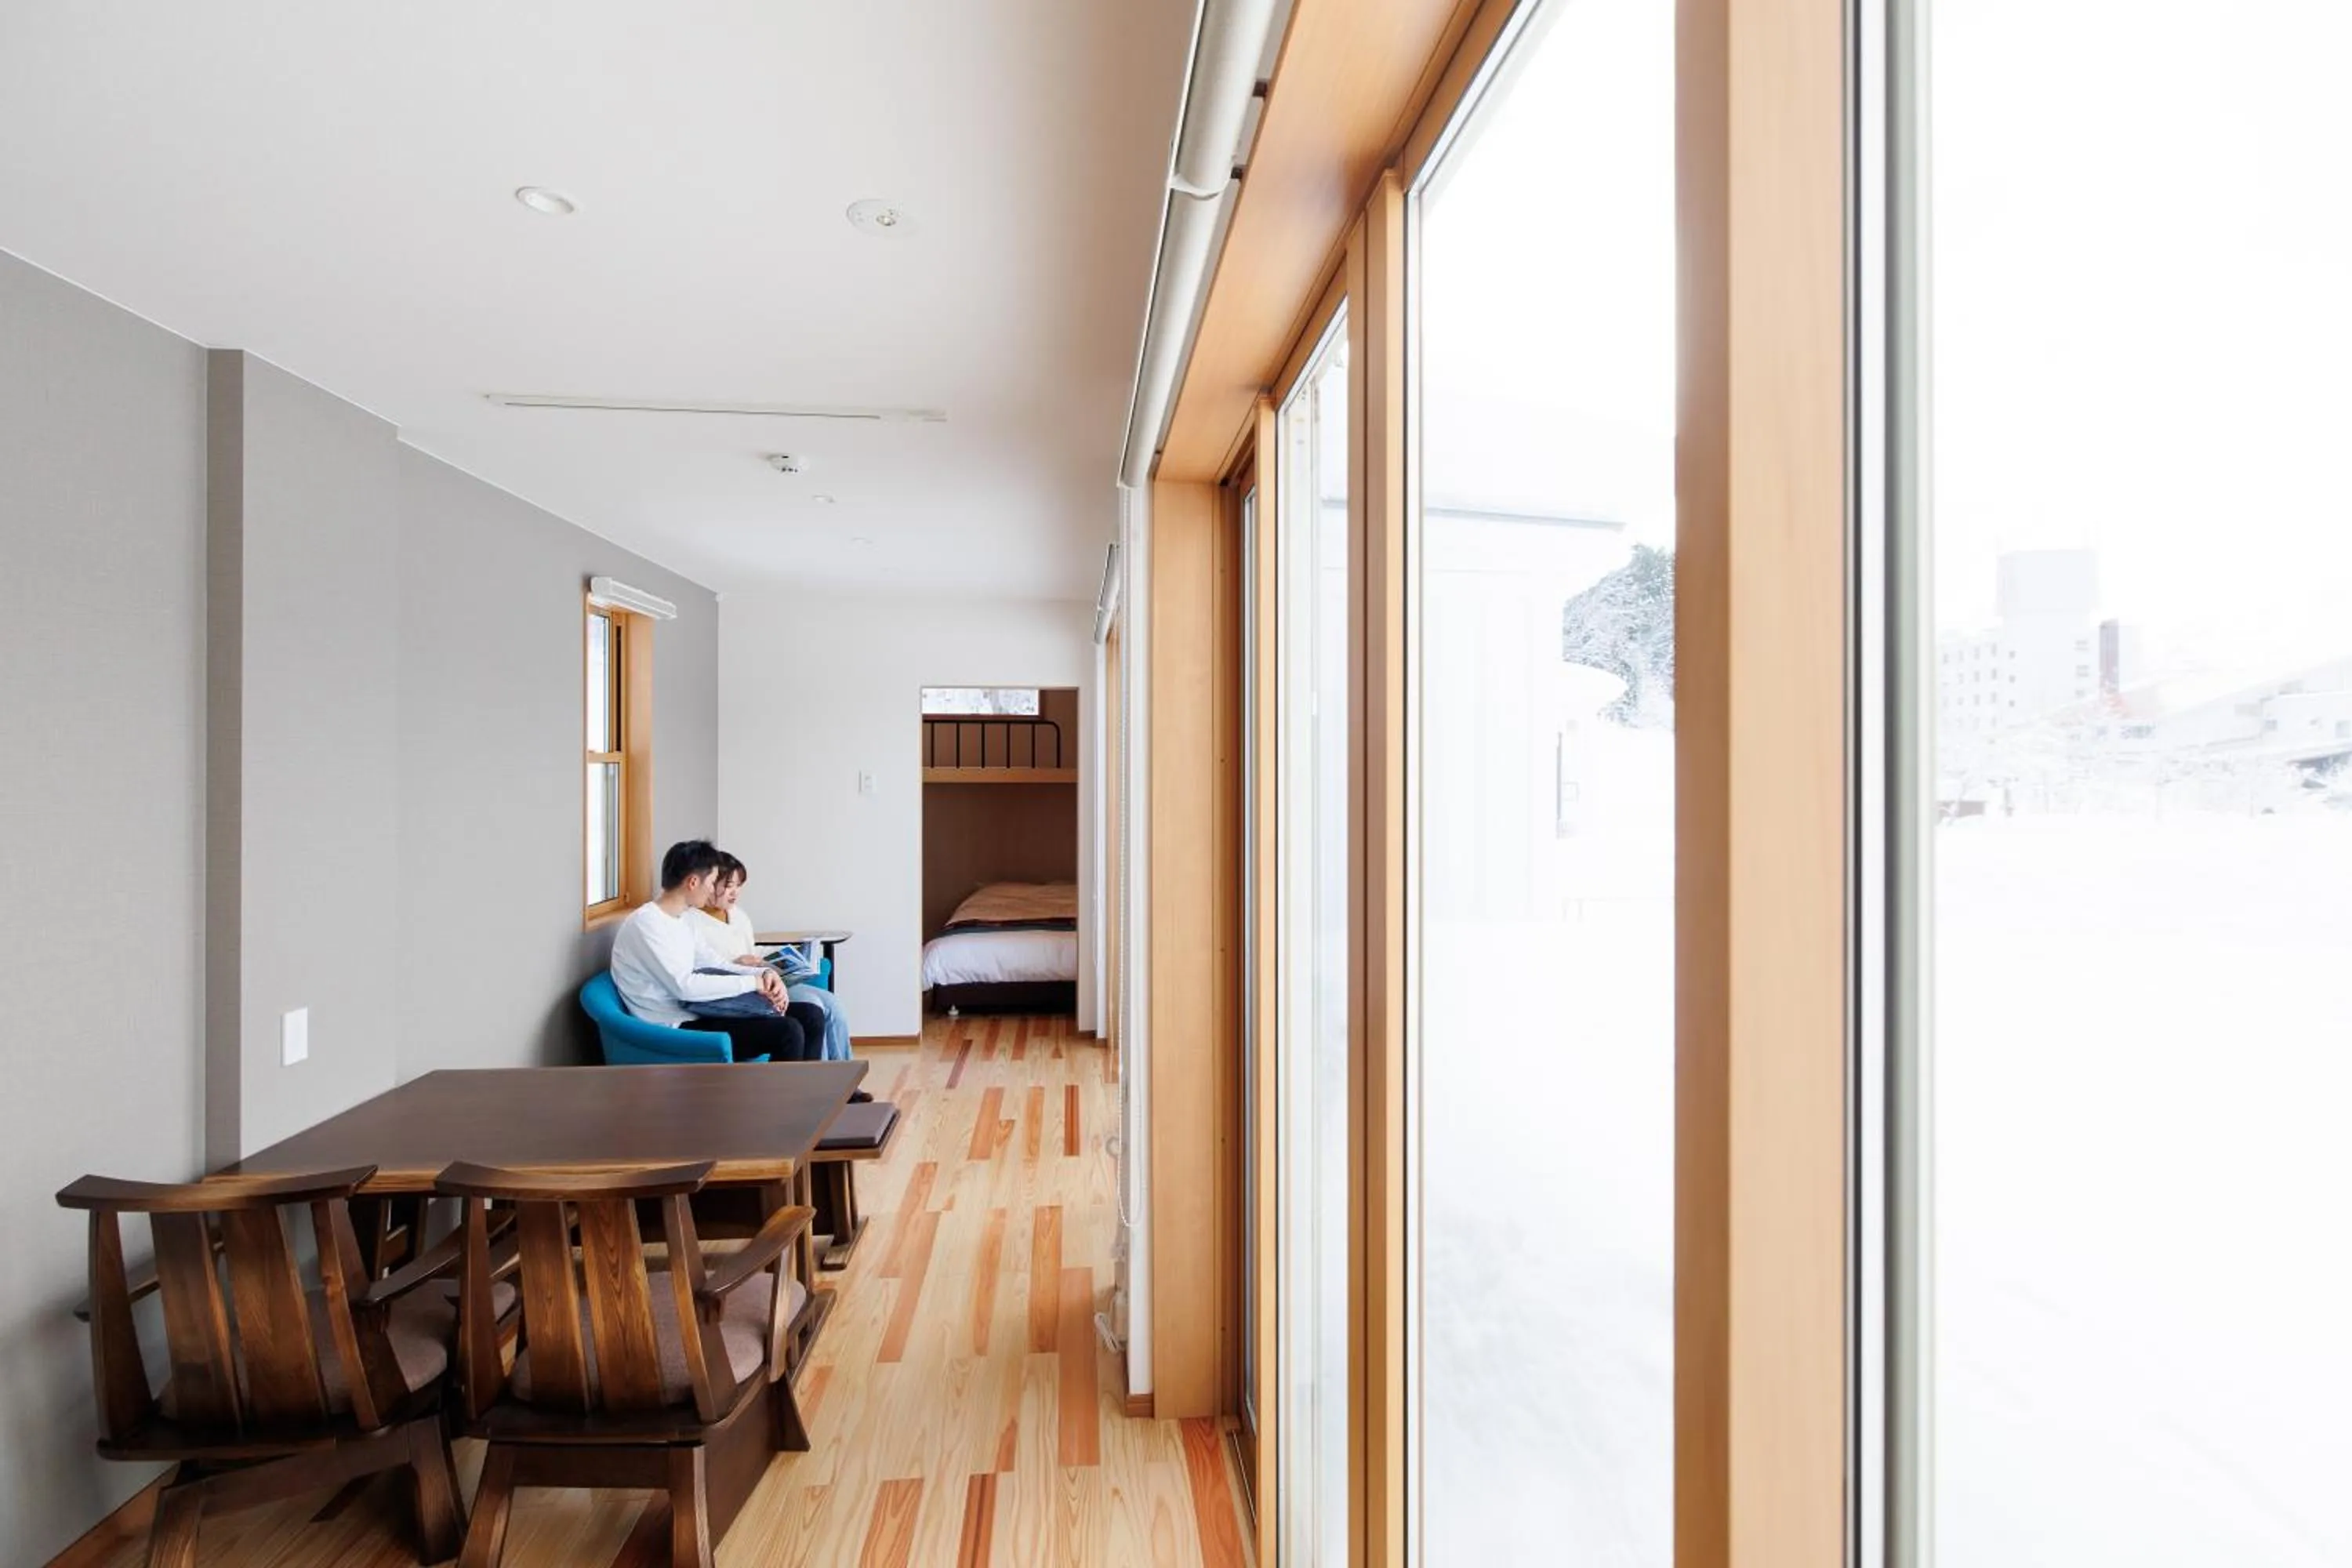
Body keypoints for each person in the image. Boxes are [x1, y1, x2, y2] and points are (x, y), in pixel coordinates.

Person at [609, 839, 828, 1063]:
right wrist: (753, 984)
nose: (714, 890)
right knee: (787, 1031)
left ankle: (812, 1097)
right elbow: (684, 987)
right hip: (675, 1025)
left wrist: (764, 976)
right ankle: (782, 1099)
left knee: (812, 1016)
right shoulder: (647, 924)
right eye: (713, 882)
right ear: (693, 882)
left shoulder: (681, 919)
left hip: (699, 1010)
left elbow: (715, 962)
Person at [688, 854, 855, 1062]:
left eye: (739, 885)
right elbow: (703, 970)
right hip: (746, 989)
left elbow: (753, 951)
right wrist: (738, 965)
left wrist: (788, 954)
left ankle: (842, 1076)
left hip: (767, 978)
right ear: (710, 884)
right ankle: (822, 1080)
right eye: (729, 885)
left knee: (832, 1002)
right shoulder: (691, 922)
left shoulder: (737, 915)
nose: (735, 892)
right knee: (814, 1006)